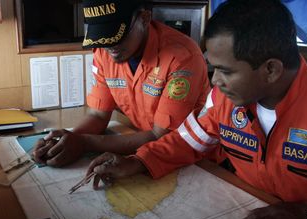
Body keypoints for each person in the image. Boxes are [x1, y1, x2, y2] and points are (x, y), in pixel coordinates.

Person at [85, 0, 307, 219]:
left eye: (225, 71)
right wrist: (139, 161)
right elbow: (188, 140)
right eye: (213, 67)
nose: (214, 81)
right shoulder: (222, 100)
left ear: (271, 70)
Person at [33, 0, 211, 167]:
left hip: (195, 159)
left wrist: (84, 143)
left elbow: (161, 136)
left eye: (117, 36)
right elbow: (98, 116)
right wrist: (66, 140)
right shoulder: (105, 51)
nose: (110, 46)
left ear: (144, 18)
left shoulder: (182, 58)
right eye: (103, 36)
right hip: (142, 146)